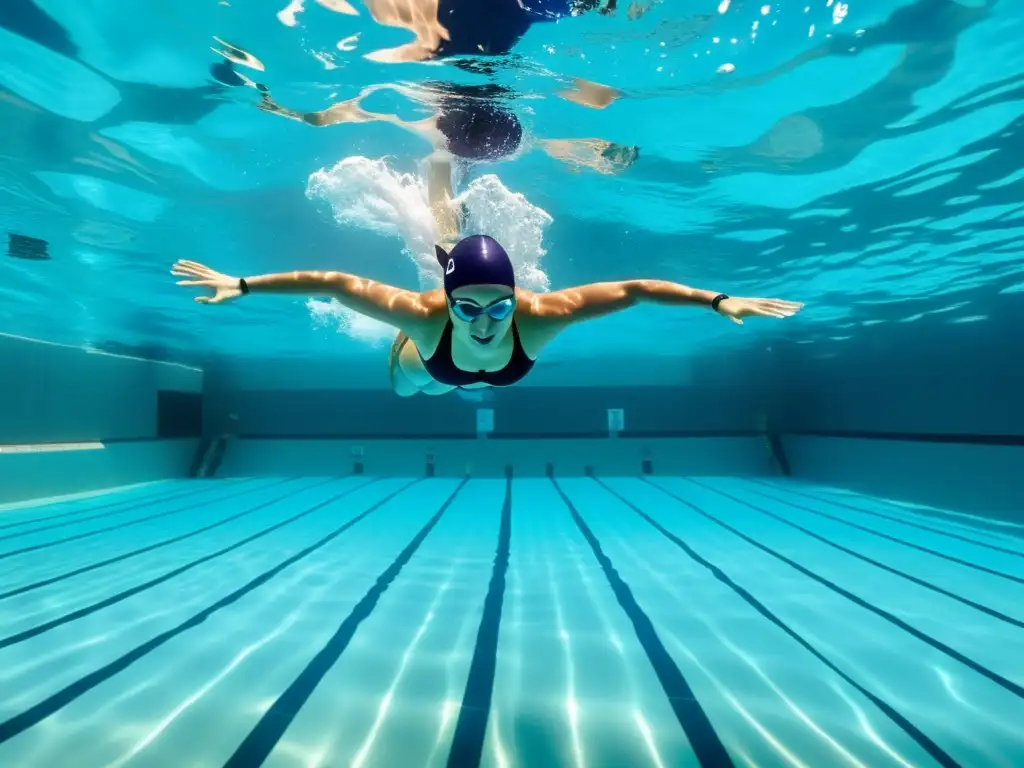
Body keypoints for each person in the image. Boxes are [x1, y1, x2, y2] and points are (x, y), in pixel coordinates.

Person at [171, 234, 803, 397]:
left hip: (491, 373)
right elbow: (334, 282)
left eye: (499, 304)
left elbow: (635, 288)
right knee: (407, 388)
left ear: (516, 296)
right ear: (446, 301)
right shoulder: (424, 315)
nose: (485, 319)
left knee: (456, 380)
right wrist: (243, 284)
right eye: (467, 305)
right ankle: (406, 354)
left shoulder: (542, 314)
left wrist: (719, 300)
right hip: (429, 366)